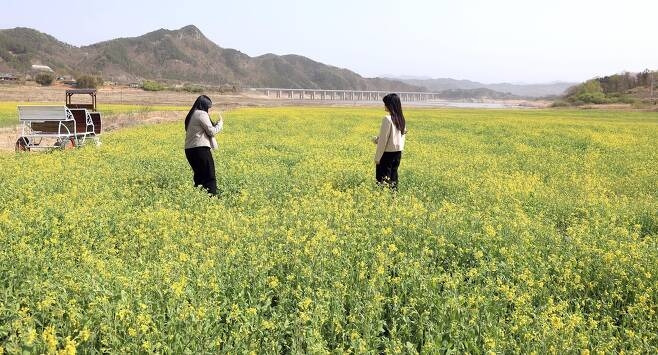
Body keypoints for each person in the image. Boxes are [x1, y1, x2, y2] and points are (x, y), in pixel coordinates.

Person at [184, 95, 223, 196]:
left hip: (189, 150)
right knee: (209, 175)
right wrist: (220, 125)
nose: (208, 109)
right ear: (204, 106)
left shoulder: (192, 114)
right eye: (208, 107)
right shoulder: (201, 114)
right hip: (200, 149)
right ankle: (212, 198)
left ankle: (199, 197)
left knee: (199, 176)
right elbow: (211, 131)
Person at [372, 93, 406, 189]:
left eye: (386, 103)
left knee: (382, 179)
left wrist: (377, 158)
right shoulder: (401, 119)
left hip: (386, 154)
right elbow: (400, 137)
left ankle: (383, 199)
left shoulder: (387, 119)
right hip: (397, 153)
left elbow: (383, 141)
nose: (384, 106)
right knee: (394, 177)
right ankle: (393, 199)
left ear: (390, 105)